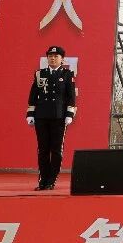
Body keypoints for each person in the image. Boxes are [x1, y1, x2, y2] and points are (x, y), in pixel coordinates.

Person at [26, 45, 76, 191]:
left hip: (58, 117)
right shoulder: (40, 74)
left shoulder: (67, 74)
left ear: (62, 59)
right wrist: (30, 113)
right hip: (41, 116)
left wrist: (69, 114)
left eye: (56, 56)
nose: (52, 58)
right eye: (50, 56)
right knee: (42, 149)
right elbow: (33, 95)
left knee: (56, 150)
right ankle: (42, 180)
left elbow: (71, 97)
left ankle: (51, 180)